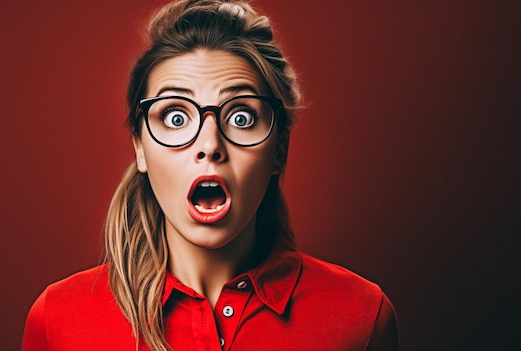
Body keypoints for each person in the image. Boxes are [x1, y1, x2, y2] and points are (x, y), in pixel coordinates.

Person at [21, 0, 399, 350]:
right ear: (140, 148)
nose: (209, 145)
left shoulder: (361, 316)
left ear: (278, 151)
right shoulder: (59, 320)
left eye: (241, 117)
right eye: (175, 116)